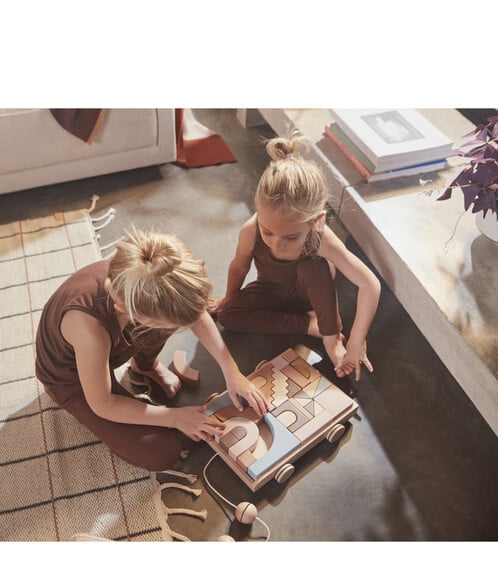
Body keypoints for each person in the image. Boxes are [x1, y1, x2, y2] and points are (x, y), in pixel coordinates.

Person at [35, 228, 269, 472]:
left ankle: (144, 366)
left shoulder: (148, 276)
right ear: (126, 310)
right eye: (169, 326)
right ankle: (146, 361)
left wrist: (232, 371)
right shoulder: (90, 331)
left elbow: (195, 314)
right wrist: (174, 417)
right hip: (70, 380)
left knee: (172, 318)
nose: (182, 328)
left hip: (116, 343)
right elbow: (103, 404)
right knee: (160, 453)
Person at [212, 133, 381, 380]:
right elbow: (238, 267)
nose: (277, 245)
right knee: (227, 315)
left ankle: (330, 337)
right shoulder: (250, 230)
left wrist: (355, 341)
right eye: (267, 232)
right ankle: (309, 325)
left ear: (317, 222)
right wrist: (228, 298)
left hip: (311, 297)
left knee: (313, 267)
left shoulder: (320, 236)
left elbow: (370, 285)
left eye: (291, 238)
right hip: (272, 291)